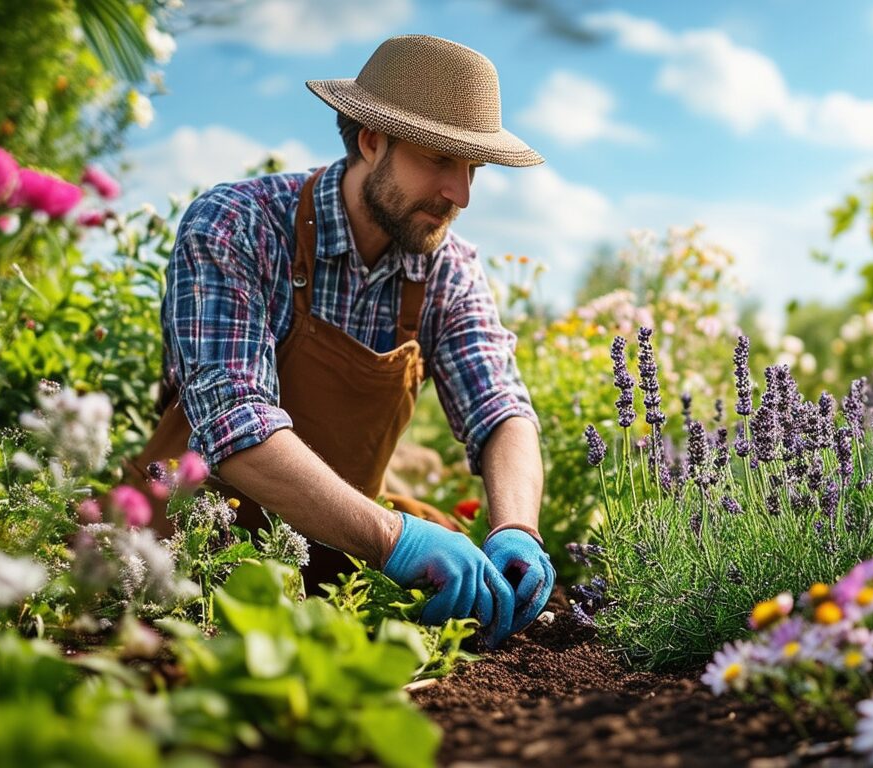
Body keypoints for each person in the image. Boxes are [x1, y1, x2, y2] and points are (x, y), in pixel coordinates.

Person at [127, 34, 554, 648]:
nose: (461, 193)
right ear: (371, 138)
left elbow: (501, 410)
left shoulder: (445, 269)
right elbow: (234, 426)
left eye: (472, 167)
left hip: (340, 558)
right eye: (440, 158)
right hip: (187, 557)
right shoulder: (237, 225)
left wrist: (517, 525)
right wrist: (392, 539)